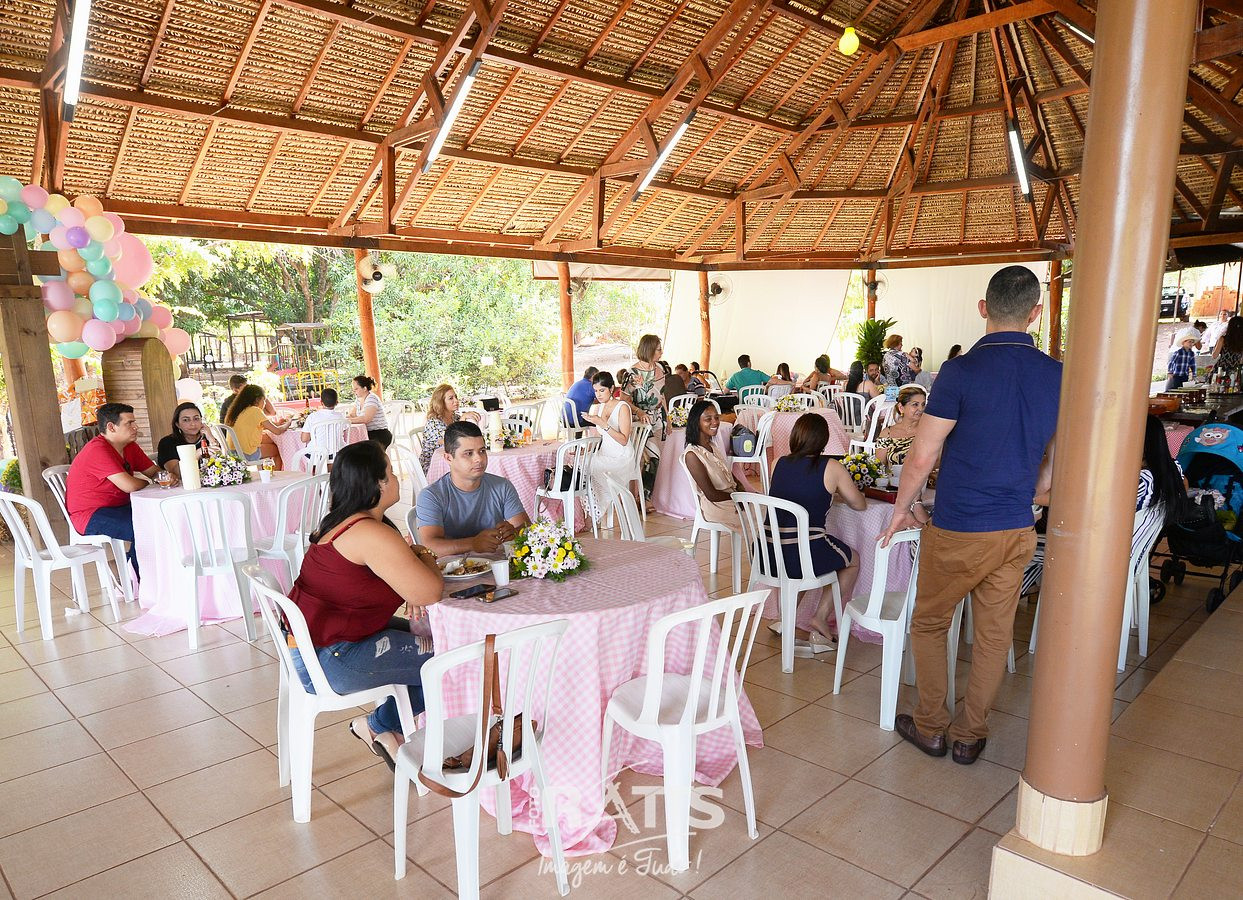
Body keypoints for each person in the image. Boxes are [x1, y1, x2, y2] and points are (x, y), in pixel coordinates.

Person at [881, 265, 1060, 766]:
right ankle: (968, 735)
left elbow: (922, 454)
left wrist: (901, 510)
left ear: (983, 308)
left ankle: (931, 726)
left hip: (960, 526)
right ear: (1035, 313)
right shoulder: (1056, 374)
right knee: (993, 636)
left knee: (930, 623)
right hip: (1016, 527)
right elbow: (1055, 456)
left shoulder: (959, 372)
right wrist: (1037, 489)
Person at [288, 441, 444, 768]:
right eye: (391, 471)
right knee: (450, 661)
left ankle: (389, 728)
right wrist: (424, 554)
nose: (397, 478)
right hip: (332, 658)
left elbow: (403, 583)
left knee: (441, 640)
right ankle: (377, 725)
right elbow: (429, 592)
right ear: (378, 484)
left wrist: (411, 576)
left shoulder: (339, 523)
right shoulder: (369, 532)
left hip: (315, 647)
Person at [768, 414, 866, 650]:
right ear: (824, 440)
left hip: (770, 552)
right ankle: (820, 617)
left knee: (798, 552)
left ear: (795, 436)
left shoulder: (777, 463)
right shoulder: (831, 467)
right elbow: (859, 504)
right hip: (803, 556)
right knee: (853, 560)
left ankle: (785, 617)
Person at [66, 403, 161, 580]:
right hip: (90, 514)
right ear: (111, 427)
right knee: (144, 527)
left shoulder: (129, 446)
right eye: (129, 423)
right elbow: (130, 486)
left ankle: (126, 566)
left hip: (119, 506)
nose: (136, 427)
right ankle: (136, 579)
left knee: (162, 518)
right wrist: (148, 482)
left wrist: (163, 476)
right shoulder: (98, 449)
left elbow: (154, 471)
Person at [416, 421, 530, 556]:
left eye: (482, 451)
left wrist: (513, 532)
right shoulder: (431, 495)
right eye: (468, 453)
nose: (479, 459)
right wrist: (473, 543)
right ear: (448, 458)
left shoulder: (502, 486)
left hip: (496, 563)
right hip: (451, 566)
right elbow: (430, 546)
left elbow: (527, 529)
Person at [682, 400, 746, 532]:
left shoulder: (712, 446)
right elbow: (711, 495)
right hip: (716, 506)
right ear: (696, 422)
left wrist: (741, 490)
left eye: (716, 417)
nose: (715, 422)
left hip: (731, 498)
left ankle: (763, 544)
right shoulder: (692, 455)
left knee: (770, 510)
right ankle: (760, 545)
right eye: (708, 419)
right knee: (764, 515)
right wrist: (738, 498)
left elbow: (729, 475)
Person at [581, 371, 634, 519]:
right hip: (604, 453)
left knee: (590, 468)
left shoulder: (622, 407)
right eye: (596, 391)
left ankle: (593, 516)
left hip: (621, 456)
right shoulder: (599, 407)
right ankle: (590, 514)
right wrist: (585, 450)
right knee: (579, 464)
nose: (598, 394)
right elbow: (598, 437)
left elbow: (624, 440)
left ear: (611, 388)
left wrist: (603, 424)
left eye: (602, 390)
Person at [225, 384, 290, 467]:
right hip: (246, 454)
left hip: (233, 453)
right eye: (264, 400)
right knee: (277, 450)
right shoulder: (255, 411)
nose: (265, 403)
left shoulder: (237, 411)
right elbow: (277, 431)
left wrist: (277, 424)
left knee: (269, 440)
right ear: (257, 400)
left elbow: (263, 426)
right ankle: (274, 474)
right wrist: (288, 423)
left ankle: (264, 471)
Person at [874, 385, 928, 469]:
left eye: (923, 404)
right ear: (901, 408)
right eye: (915, 405)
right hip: (894, 477)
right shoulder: (887, 433)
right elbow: (879, 467)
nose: (921, 409)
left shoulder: (928, 432)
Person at [156, 402, 212, 479]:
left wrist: (210, 437)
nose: (193, 424)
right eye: (186, 420)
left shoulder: (206, 439)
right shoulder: (167, 443)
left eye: (196, 419)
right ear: (177, 424)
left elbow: (223, 462)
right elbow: (177, 473)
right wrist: (196, 454)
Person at [419, 383, 465, 473]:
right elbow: (452, 442)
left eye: (456, 397)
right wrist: (463, 420)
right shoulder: (434, 422)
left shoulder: (455, 418)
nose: (456, 401)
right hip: (432, 466)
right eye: (451, 398)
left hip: (450, 461)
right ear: (441, 402)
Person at [629, 334, 666, 435]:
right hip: (642, 422)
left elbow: (662, 395)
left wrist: (668, 419)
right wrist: (639, 412)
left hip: (659, 420)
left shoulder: (660, 368)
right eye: (659, 349)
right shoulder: (633, 372)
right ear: (650, 350)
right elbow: (624, 400)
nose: (662, 352)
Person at [299, 388, 347, 455]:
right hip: (338, 453)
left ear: (321, 402)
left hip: (318, 454)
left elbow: (304, 439)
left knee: (309, 449)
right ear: (337, 402)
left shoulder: (313, 417)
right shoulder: (341, 416)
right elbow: (343, 433)